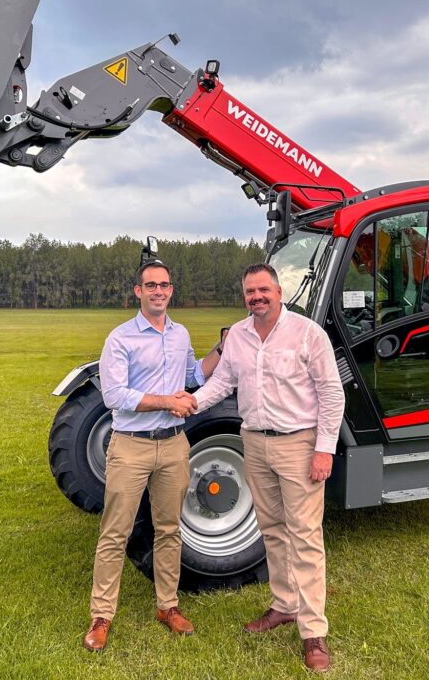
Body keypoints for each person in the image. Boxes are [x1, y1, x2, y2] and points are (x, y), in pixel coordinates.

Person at [190, 263, 344, 673]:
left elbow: (331, 392)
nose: (256, 297)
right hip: (254, 444)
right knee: (272, 529)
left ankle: (314, 633)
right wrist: (189, 403)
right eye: (249, 291)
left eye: (263, 290)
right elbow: (222, 382)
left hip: (298, 444)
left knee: (305, 537)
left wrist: (324, 449)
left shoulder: (308, 333)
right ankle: (284, 605)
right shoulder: (238, 335)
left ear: (279, 292)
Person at [83, 259, 219, 652]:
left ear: (171, 290)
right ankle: (102, 615)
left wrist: (222, 348)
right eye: (151, 286)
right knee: (115, 533)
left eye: (164, 285)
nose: (158, 291)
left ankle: (168, 606)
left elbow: (194, 375)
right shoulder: (120, 338)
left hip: (174, 445)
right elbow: (115, 396)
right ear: (138, 292)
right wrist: (166, 402)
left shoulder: (180, 334)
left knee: (169, 530)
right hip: (131, 445)